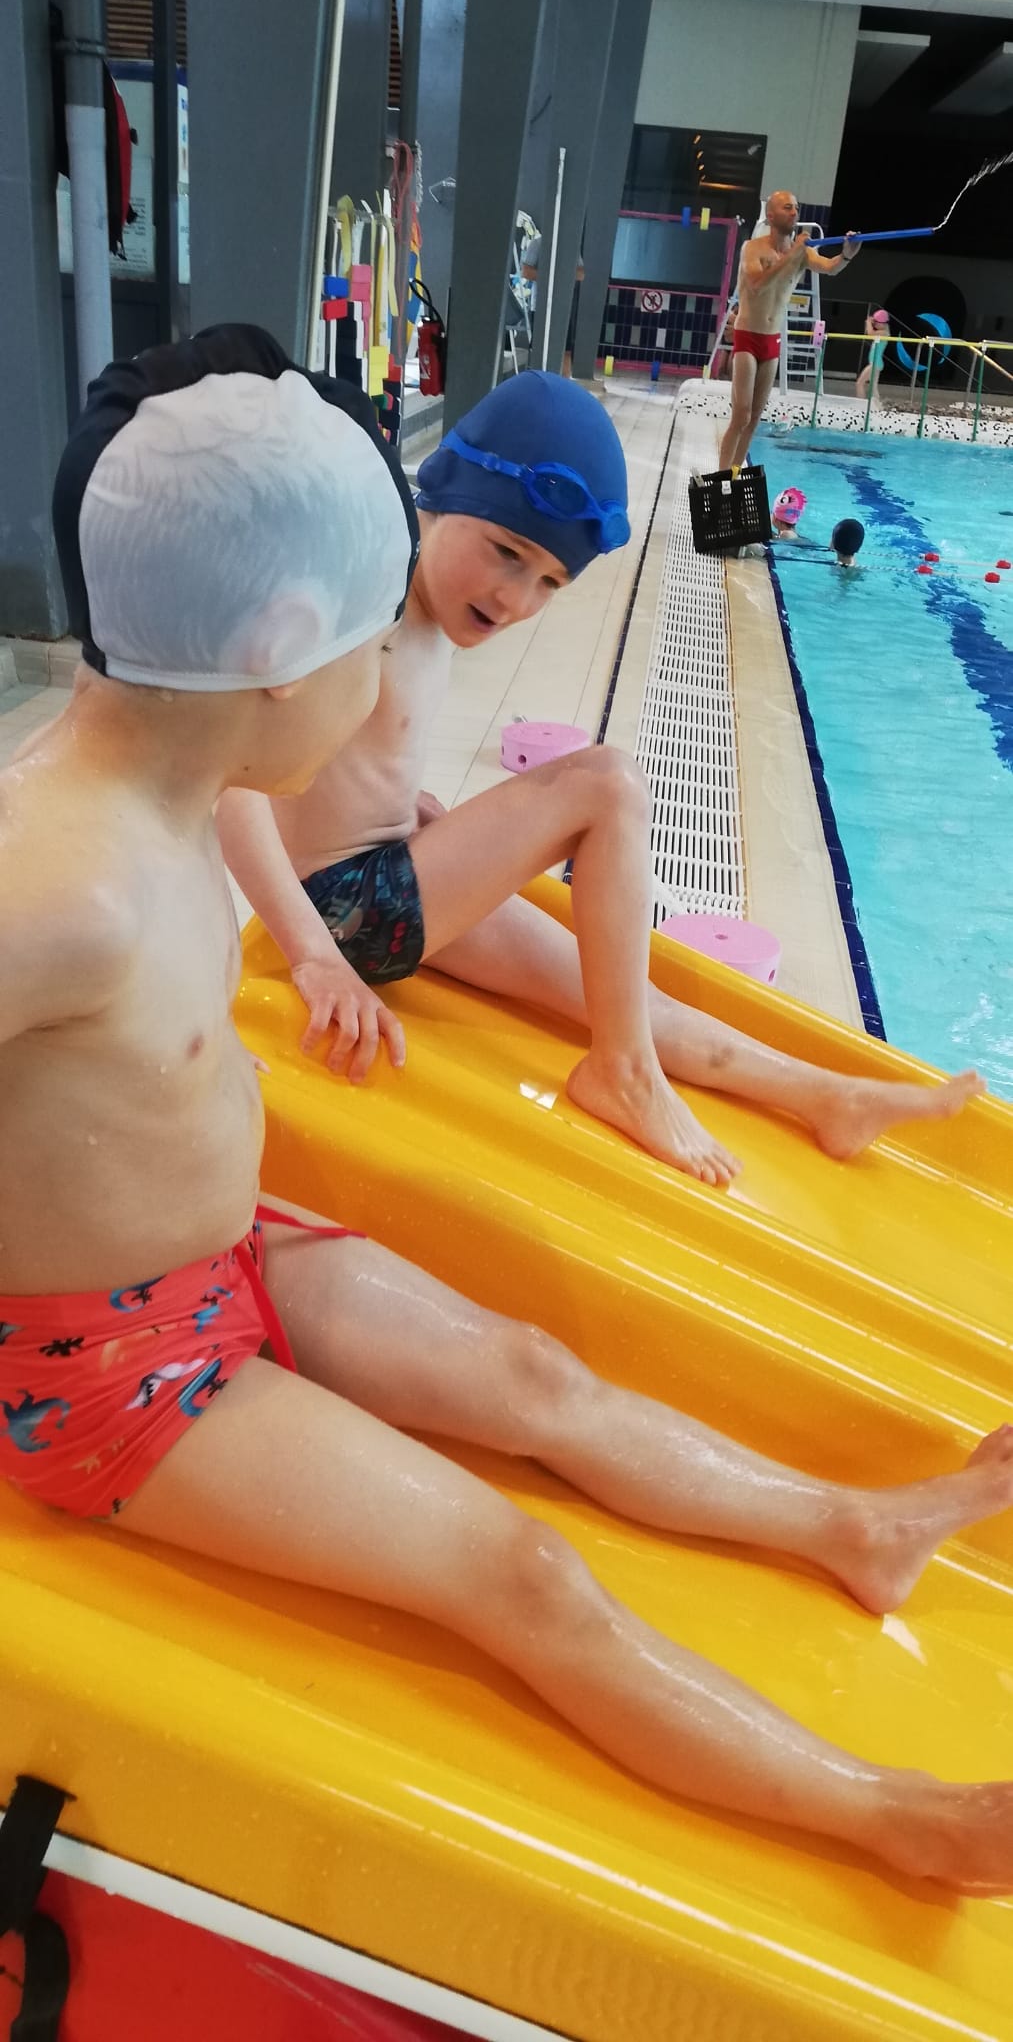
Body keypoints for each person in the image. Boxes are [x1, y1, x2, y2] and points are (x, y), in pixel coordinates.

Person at [5, 325, 1013, 1897]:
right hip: (116, 1374)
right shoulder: (59, 887)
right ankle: (907, 1822)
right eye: (373, 645)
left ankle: (850, 1528)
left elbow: (227, 888)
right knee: (517, 1567)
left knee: (539, 1374)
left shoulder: (174, 774)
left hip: (228, 1252)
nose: (391, 682)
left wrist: (290, 979)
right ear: (286, 645)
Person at [218, 369, 984, 1189]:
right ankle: (622, 1072)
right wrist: (313, 958)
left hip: (383, 883)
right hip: (345, 911)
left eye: (549, 582)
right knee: (608, 784)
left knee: (619, 992)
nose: (515, 599)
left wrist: (403, 808)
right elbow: (229, 785)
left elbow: (350, 761)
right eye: (506, 553)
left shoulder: (420, 595)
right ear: (444, 487)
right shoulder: (363, 598)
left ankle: (826, 1097)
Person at [718, 191, 860, 471]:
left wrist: (846, 254)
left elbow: (830, 268)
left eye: (796, 208)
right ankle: (720, 476)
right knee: (741, 415)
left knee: (754, 418)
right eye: (787, 208)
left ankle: (733, 476)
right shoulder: (753, 248)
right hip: (747, 336)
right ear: (771, 216)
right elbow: (757, 284)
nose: (795, 212)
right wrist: (792, 254)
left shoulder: (803, 253)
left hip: (772, 340)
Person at [522, 231, 585, 376]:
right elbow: (526, 271)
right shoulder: (537, 244)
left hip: (563, 306)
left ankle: (564, 382)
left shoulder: (571, 246)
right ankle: (538, 379)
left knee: (566, 349)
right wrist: (555, 277)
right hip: (540, 305)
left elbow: (581, 274)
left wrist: (560, 276)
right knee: (538, 347)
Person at [856, 308, 890, 405]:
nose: (874, 324)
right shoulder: (882, 332)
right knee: (873, 387)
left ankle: (861, 406)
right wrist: (870, 323)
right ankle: (877, 406)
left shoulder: (884, 333)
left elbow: (870, 333)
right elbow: (870, 332)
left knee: (859, 383)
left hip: (875, 363)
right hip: (875, 363)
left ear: (882, 323)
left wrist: (868, 322)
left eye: (876, 322)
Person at [708, 302, 738, 382]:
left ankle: (730, 384)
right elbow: (723, 329)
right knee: (721, 368)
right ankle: (720, 382)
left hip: (736, 344)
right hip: (726, 343)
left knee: (730, 369)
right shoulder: (729, 315)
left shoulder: (740, 318)